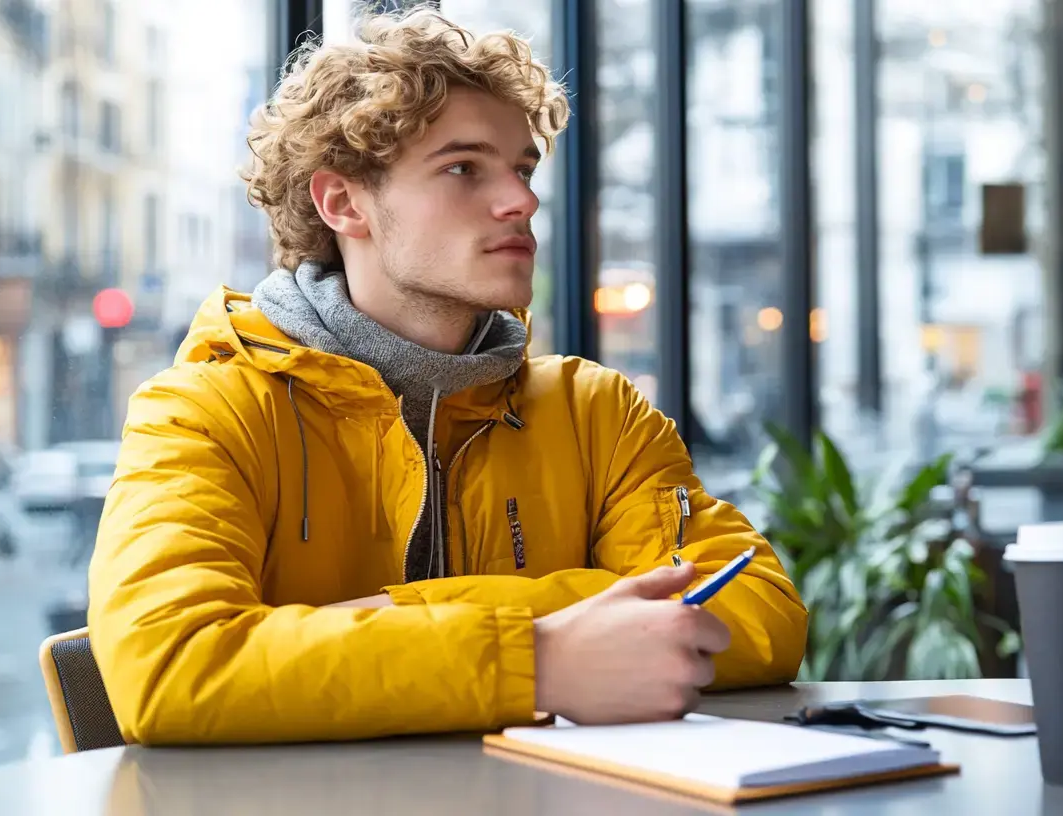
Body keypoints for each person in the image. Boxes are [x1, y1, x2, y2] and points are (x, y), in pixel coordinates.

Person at [86, 8, 806, 746]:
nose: (522, 201)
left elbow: (759, 610)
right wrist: (545, 660)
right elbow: (169, 664)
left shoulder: (598, 412)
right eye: (464, 168)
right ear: (343, 203)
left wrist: (375, 617)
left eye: (522, 169)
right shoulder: (205, 408)